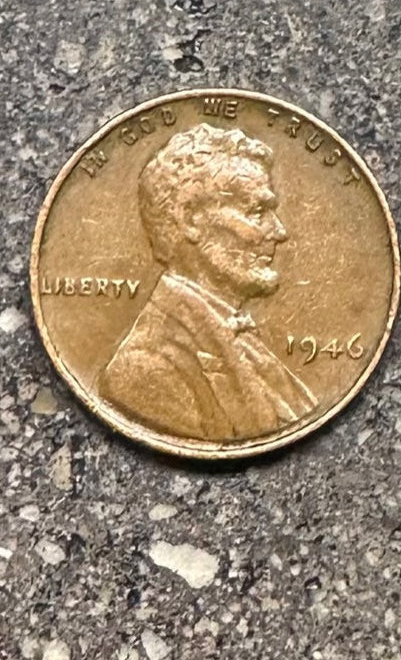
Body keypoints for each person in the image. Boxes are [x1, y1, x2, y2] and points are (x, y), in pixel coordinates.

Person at [99, 123, 317, 440]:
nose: (279, 232)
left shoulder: (240, 338)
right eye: (257, 211)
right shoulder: (145, 369)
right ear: (190, 219)